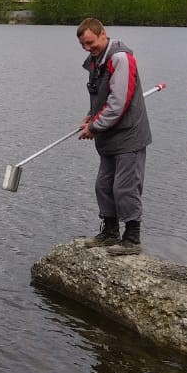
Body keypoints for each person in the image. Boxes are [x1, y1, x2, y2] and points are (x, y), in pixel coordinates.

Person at [75, 18, 151, 254]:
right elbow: (101, 98)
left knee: (125, 188)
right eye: (83, 45)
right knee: (103, 186)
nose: (88, 49)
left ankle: (132, 239)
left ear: (102, 34)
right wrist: (90, 116)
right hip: (108, 136)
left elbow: (118, 103)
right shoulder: (97, 60)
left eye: (90, 43)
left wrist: (95, 127)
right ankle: (109, 232)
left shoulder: (120, 59)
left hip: (129, 135)